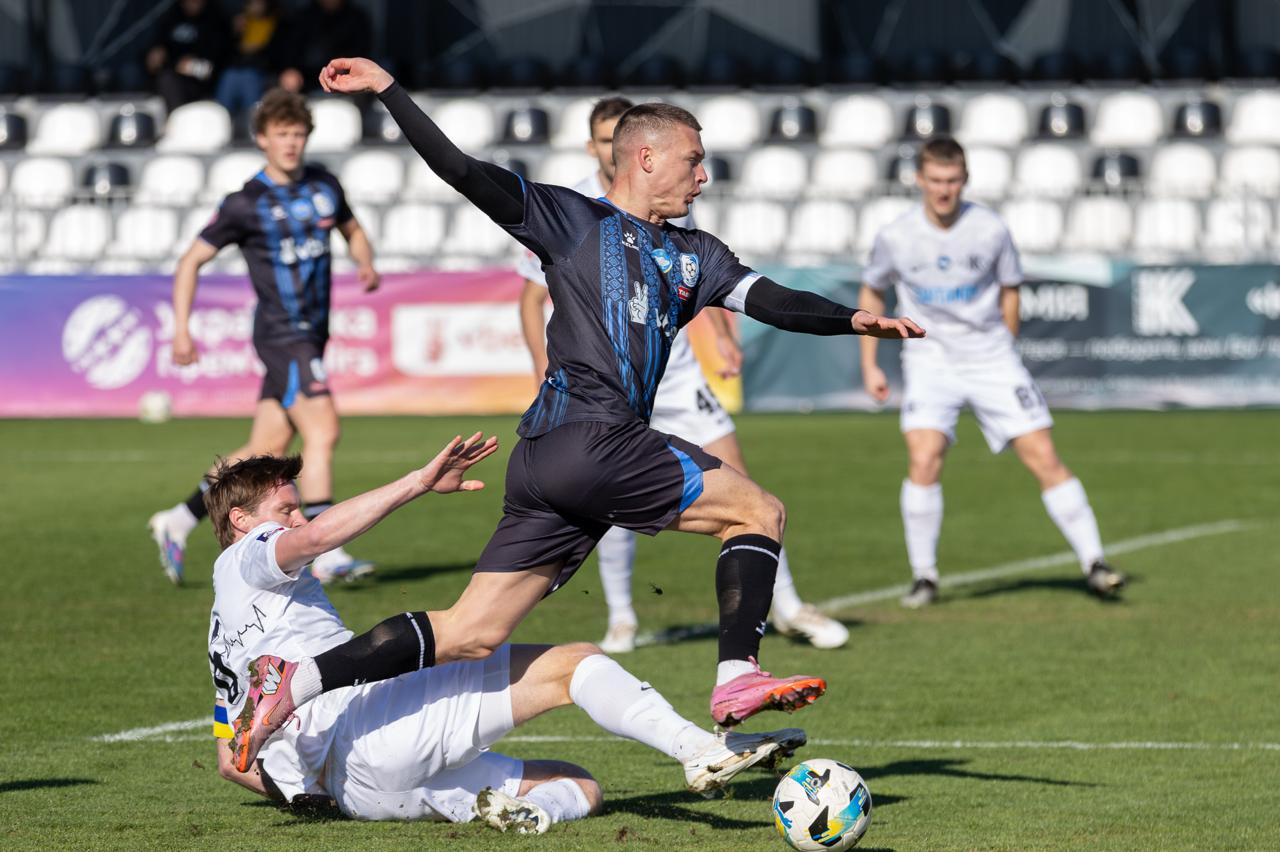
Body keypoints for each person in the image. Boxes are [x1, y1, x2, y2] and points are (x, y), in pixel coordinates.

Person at [226, 56, 925, 773]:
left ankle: (296, 681)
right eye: (693, 160)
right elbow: (461, 171)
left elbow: (772, 299)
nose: (703, 175)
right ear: (646, 157)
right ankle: (735, 677)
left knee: (470, 631)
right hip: (596, 437)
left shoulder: (697, 255)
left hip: (543, 460)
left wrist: (851, 319)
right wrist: (388, 91)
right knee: (759, 512)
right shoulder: (570, 219)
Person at [207, 448, 806, 830]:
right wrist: (417, 482)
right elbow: (314, 541)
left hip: (359, 793)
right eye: (286, 510)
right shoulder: (249, 554)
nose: (299, 520)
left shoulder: (223, 635)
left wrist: (307, 796)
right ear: (241, 521)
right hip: (373, 729)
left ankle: (529, 815)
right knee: (574, 664)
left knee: (578, 785)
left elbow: (229, 763)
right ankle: (700, 749)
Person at [517, 96, 848, 653]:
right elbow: (531, 298)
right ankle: (622, 618)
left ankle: (788, 606)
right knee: (605, 495)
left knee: (746, 490)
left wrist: (721, 336)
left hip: (673, 372)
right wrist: (540, 370)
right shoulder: (570, 209)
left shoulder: (671, 192)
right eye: (603, 140)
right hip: (603, 382)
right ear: (601, 148)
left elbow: (695, 275)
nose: (610, 147)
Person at [857, 137, 1126, 608]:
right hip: (929, 359)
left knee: (1043, 455)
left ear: (965, 179)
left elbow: (1010, 288)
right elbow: (872, 290)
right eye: (936, 180)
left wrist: (1007, 347)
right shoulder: (896, 235)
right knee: (924, 457)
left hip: (990, 357)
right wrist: (870, 363)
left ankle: (1095, 563)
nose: (944, 190)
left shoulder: (990, 229)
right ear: (919, 179)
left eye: (953, 180)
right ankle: (924, 576)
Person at [147, 89, 381, 587]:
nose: (291, 143)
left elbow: (354, 230)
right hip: (281, 334)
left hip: (312, 334)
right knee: (323, 431)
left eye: (298, 134)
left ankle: (179, 518)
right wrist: (182, 329)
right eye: (281, 134)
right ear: (261, 139)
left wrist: (364, 261)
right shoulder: (246, 203)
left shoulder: (324, 184)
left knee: (266, 447)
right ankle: (326, 549)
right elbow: (190, 261)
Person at [146, 0, 232, 114]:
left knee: (169, 81)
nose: (191, 4)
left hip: (203, 83)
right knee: (166, 79)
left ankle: (178, 118)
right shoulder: (172, 16)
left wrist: (194, 66)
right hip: (171, 74)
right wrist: (155, 56)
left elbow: (219, 62)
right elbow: (158, 47)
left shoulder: (215, 19)